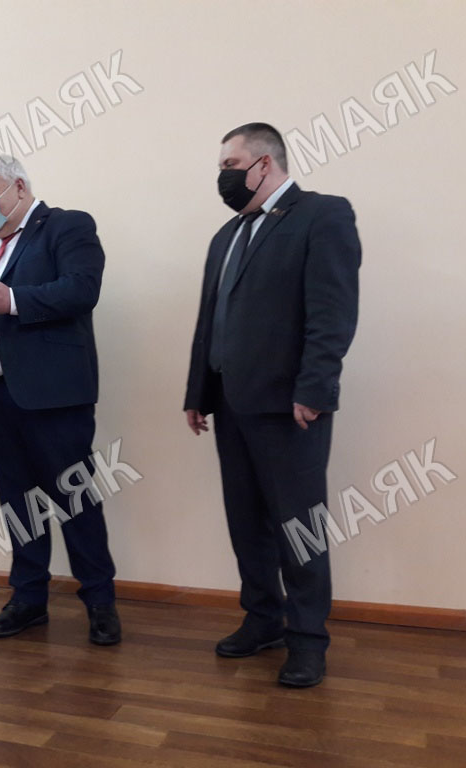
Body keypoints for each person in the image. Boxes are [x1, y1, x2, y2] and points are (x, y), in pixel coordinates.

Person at [184, 123, 361, 687]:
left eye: (230, 165)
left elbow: (333, 312)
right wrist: (197, 393)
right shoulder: (226, 235)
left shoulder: (322, 215)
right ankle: (263, 619)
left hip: (290, 407)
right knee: (246, 523)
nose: (223, 176)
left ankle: (308, 639)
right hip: (230, 403)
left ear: (264, 163)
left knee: (299, 527)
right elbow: (210, 321)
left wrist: (315, 389)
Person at [0, 154, 120, 645]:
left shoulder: (66, 226)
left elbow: (82, 289)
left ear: (19, 187)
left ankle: (100, 602)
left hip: (54, 395)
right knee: (19, 504)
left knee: (74, 498)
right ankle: (28, 599)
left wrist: (14, 300)